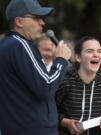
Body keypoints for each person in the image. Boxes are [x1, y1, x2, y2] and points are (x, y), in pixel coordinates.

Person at [0, 0, 72, 135]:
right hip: (34, 129)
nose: (42, 23)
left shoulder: (6, 46)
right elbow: (46, 87)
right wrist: (61, 60)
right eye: (36, 18)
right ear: (19, 22)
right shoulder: (21, 45)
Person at [55, 36, 101, 135]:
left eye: (99, 51)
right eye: (90, 51)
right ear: (78, 57)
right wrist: (67, 123)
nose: (96, 55)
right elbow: (47, 113)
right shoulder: (64, 81)